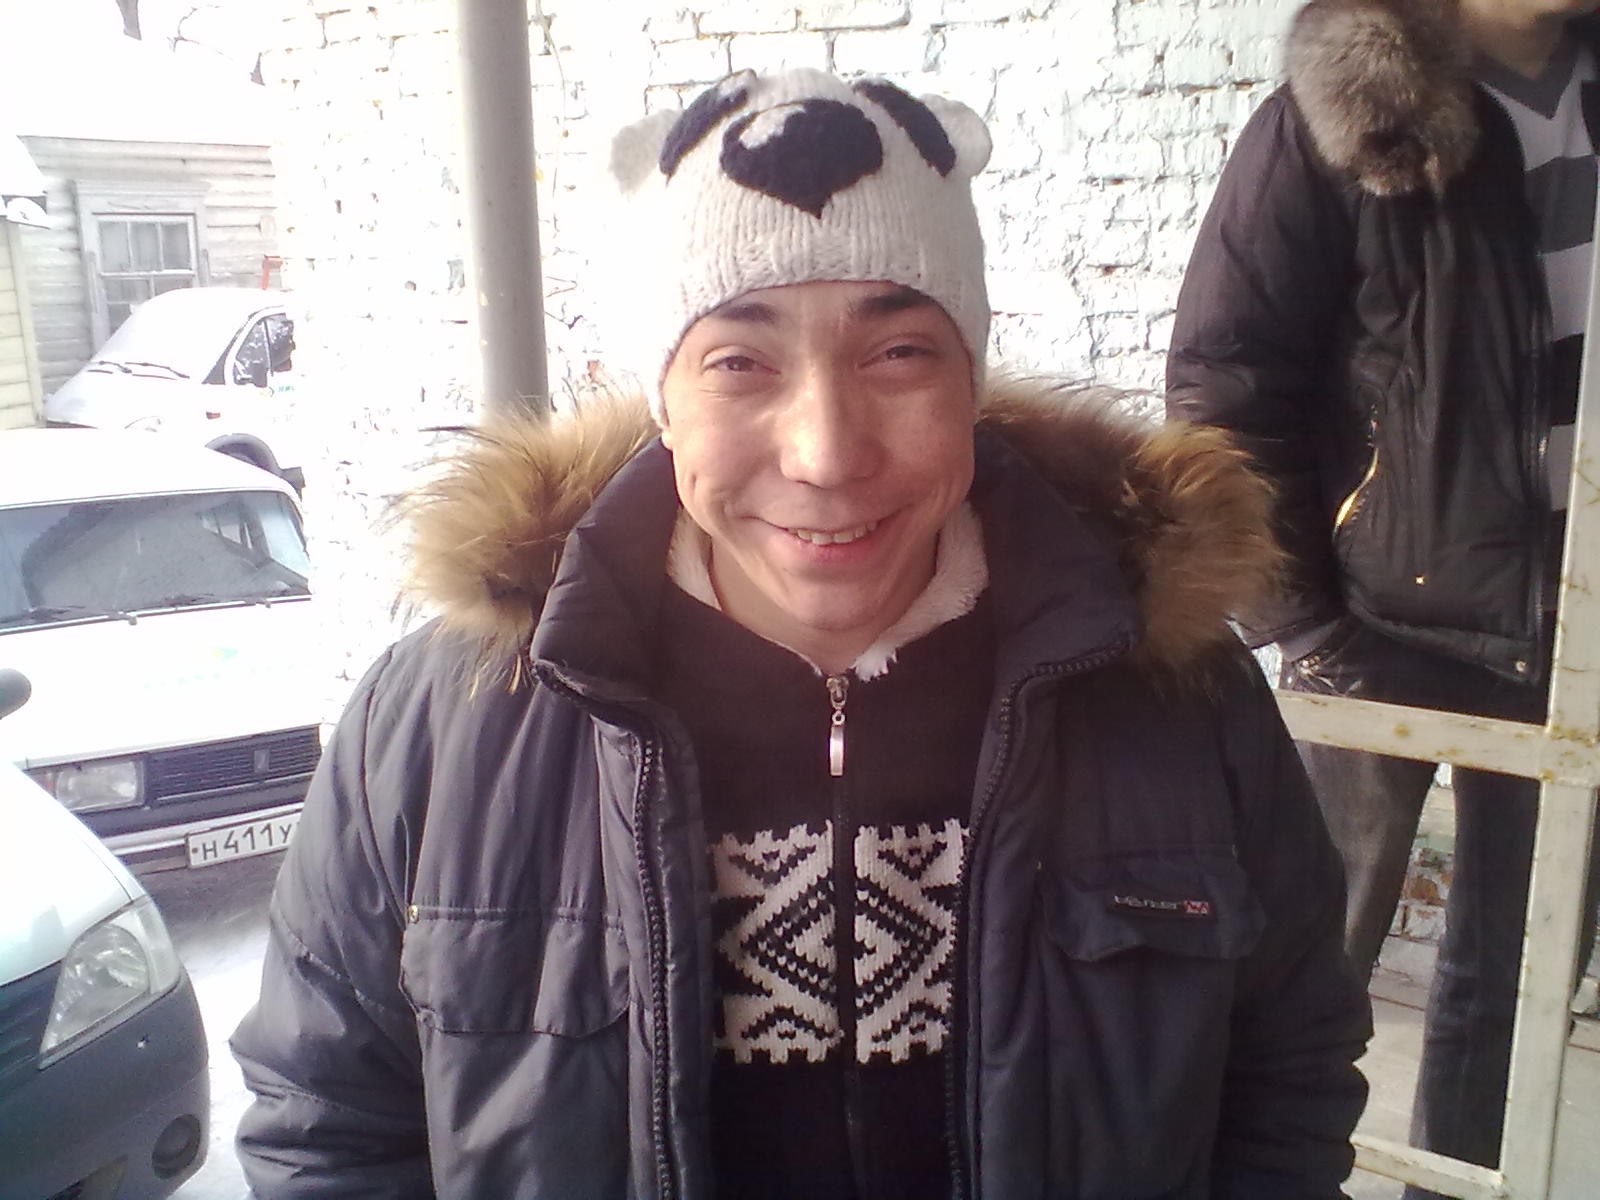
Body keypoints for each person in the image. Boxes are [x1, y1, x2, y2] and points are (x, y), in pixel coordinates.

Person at [232, 67, 1369, 1197]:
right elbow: (329, 1124)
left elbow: (1288, 1073)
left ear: (970, 382)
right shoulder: (445, 725)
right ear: (663, 401)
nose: (826, 454)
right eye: (739, 362)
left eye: (898, 354)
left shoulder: (1174, 694)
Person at [1167, 1, 1600, 1193]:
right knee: (1298, 970)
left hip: (1576, 625)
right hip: (1371, 619)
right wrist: (1300, 621)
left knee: (1517, 984)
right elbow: (1223, 383)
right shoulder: (1341, 116)